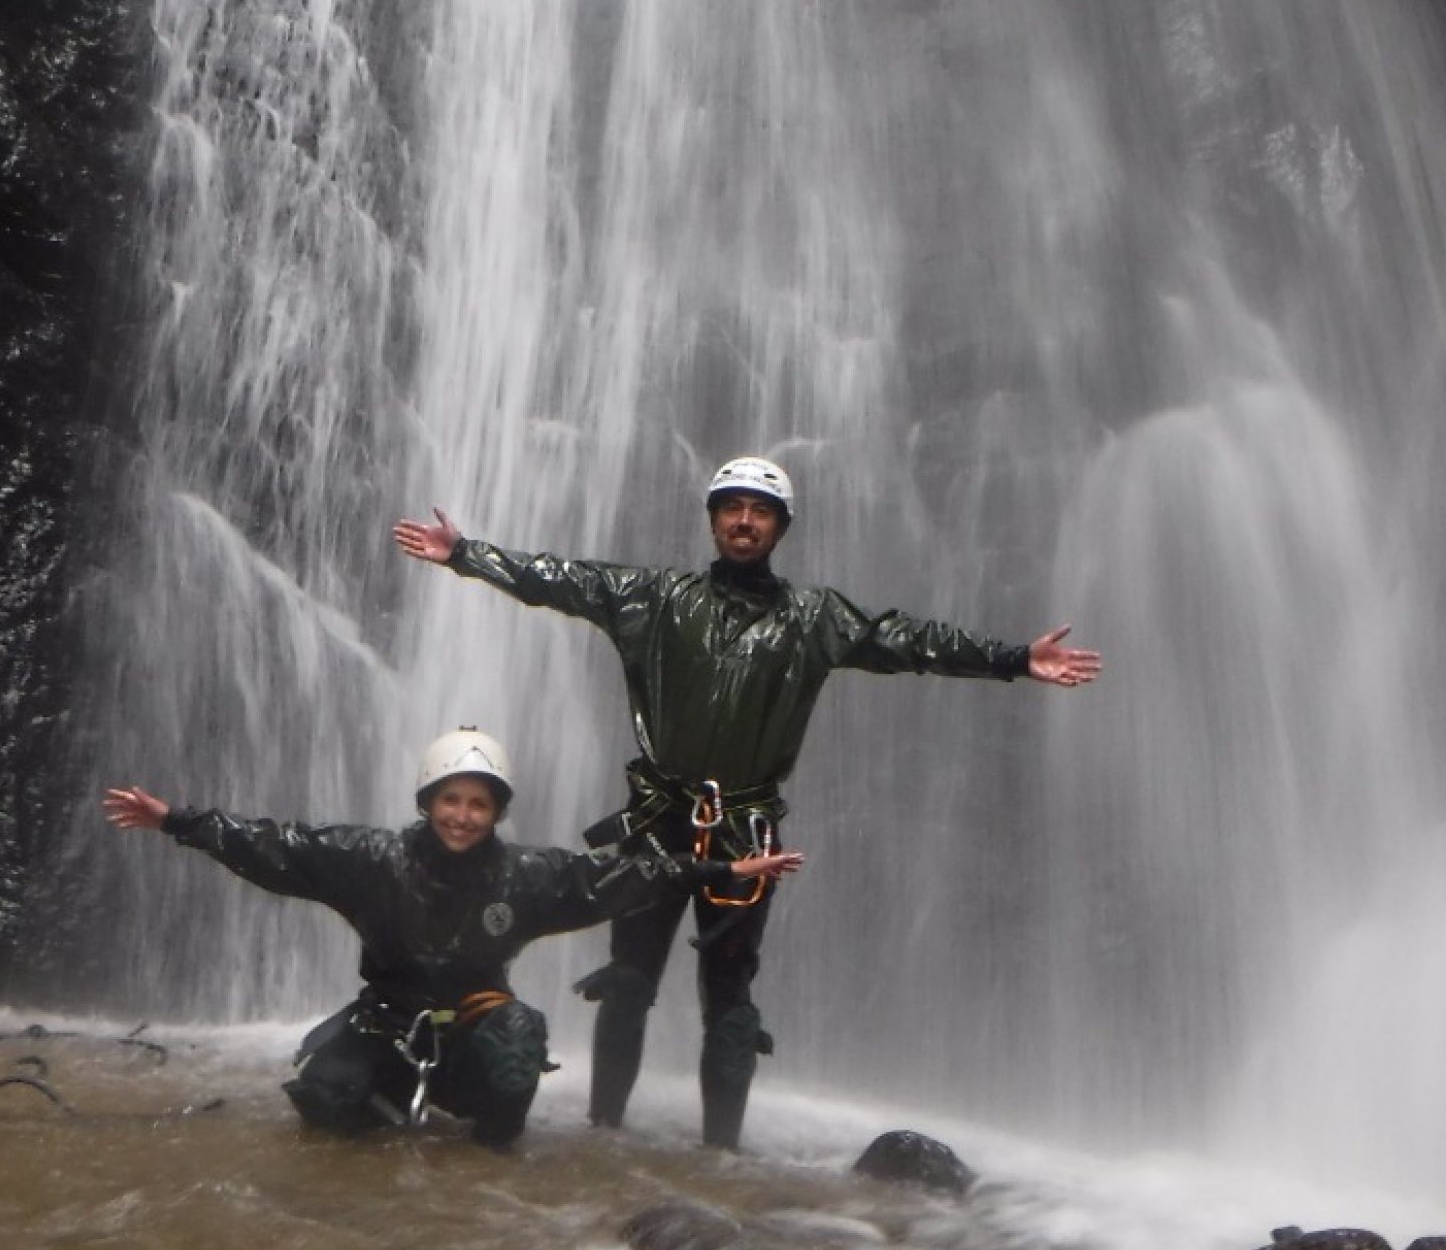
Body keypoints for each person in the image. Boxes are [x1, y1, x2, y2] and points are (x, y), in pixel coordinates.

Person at [393, 458, 1100, 1148]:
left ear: (780, 528)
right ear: (711, 519)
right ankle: (603, 1135)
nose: (744, 520)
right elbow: (560, 580)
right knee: (629, 980)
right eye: (732, 507)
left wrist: (1014, 659)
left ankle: (720, 1159)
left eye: (760, 511)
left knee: (730, 1003)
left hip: (747, 831)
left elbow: (912, 640)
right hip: (657, 821)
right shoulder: (656, 599)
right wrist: (466, 556)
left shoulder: (814, 619)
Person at [103, 725, 802, 1147]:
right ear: (427, 803)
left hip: (475, 1034)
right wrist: (177, 821)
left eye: (478, 804)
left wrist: (720, 865)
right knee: (324, 1100)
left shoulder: (527, 876)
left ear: (496, 813)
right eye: (450, 800)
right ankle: (380, 1112)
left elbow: (621, 879)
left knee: (518, 1041)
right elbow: (277, 847)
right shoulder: (372, 861)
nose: (463, 817)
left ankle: (495, 1149)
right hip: (385, 1026)